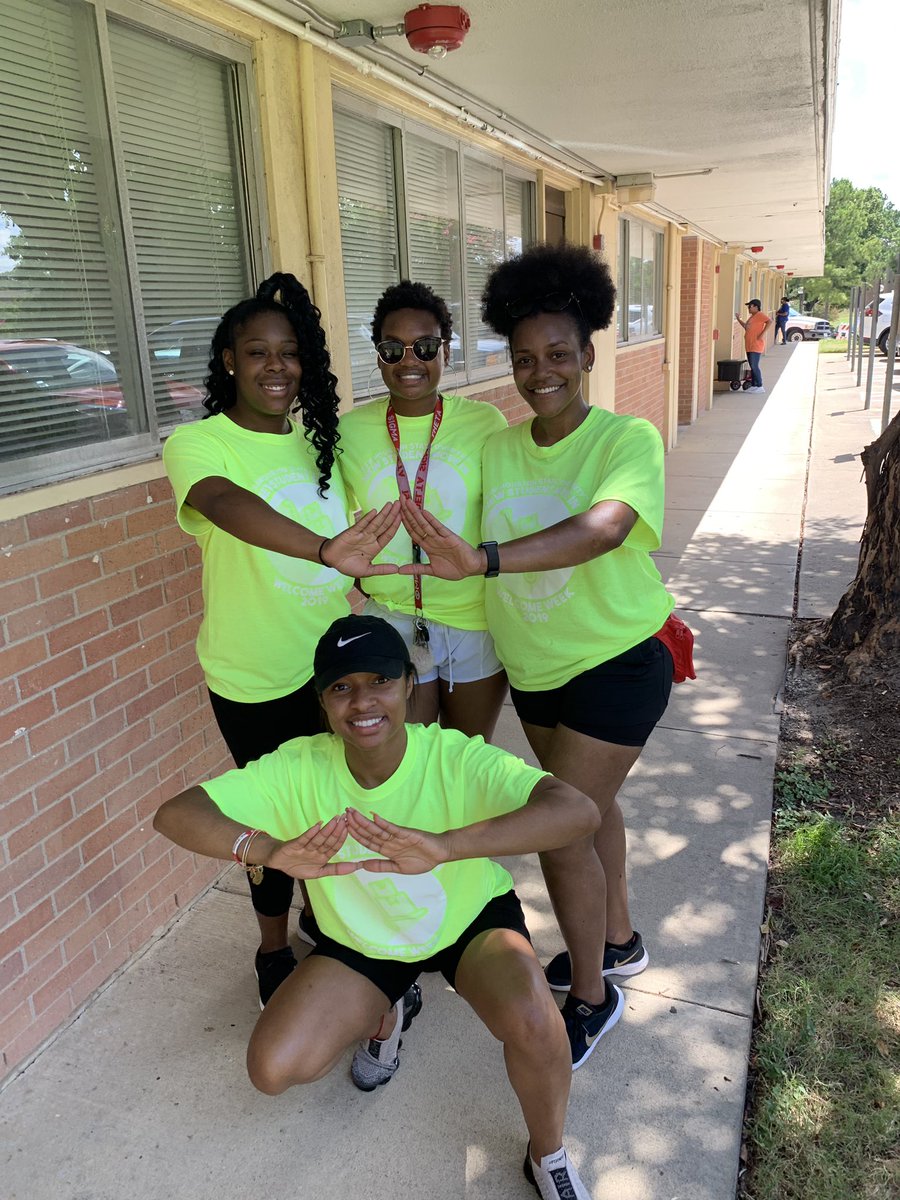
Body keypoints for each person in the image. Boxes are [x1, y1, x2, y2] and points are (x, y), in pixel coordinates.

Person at [153, 614, 602, 1200]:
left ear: (409, 685)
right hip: (362, 942)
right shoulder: (297, 765)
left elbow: (576, 811)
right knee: (272, 1067)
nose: (362, 701)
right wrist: (266, 850)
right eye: (341, 687)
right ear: (322, 701)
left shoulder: (451, 755)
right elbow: (176, 814)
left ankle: (547, 1155)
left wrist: (447, 846)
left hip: (468, 923)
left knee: (537, 1023)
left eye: (380, 681)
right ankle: (386, 1012)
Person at [395, 242, 684, 1068]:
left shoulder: (626, 438)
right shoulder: (499, 446)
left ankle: (592, 996)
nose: (540, 373)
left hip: (616, 660)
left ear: (588, 354)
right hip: (537, 671)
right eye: (524, 359)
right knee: (593, 810)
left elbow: (607, 528)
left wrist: (485, 560)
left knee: (561, 832)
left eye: (558, 354)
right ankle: (618, 940)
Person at [162, 273, 401, 1009]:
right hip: (256, 672)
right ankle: (272, 948)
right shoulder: (199, 443)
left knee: (335, 808)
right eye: (258, 351)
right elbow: (223, 502)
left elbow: (357, 535)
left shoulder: (317, 443)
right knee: (270, 822)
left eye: (289, 352)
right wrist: (325, 550)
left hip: (332, 673)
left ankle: (333, 930)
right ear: (228, 360)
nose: (276, 366)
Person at [338, 281, 508, 739]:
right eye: (393, 349)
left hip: (472, 618)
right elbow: (329, 516)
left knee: (466, 755)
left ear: (446, 352)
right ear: (379, 356)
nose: (409, 360)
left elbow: (506, 514)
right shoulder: (349, 432)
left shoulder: (485, 423)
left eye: (426, 346)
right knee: (407, 759)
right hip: (390, 617)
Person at [735, 298, 772, 392]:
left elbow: (769, 321)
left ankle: (760, 386)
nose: (748, 308)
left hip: (756, 345)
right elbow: (746, 327)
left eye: (750, 306)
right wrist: (738, 319)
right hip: (749, 345)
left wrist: (762, 334)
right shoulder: (752, 317)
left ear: (756, 307)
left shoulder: (760, 315)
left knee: (754, 366)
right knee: (752, 366)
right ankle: (754, 385)